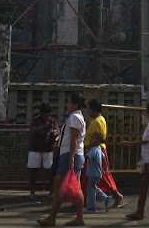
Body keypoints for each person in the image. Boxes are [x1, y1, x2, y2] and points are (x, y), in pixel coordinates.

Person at [37, 92, 87, 227]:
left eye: (69, 102)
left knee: (58, 186)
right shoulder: (75, 117)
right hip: (72, 155)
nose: (67, 105)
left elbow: (74, 139)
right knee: (75, 187)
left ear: (75, 104)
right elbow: (70, 138)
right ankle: (78, 217)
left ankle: (52, 217)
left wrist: (70, 157)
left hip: (70, 155)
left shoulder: (75, 117)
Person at [81, 99, 125, 208]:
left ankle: (116, 195)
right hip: (95, 150)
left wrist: (88, 150)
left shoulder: (97, 121)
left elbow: (96, 139)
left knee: (102, 176)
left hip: (95, 151)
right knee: (90, 176)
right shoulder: (98, 119)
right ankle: (86, 200)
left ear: (94, 110)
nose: (88, 112)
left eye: (89, 109)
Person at [28, 103, 60, 199]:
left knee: (50, 171)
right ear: (41, 113)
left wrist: (54, 137)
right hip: (35, 148)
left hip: (48, 149)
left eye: (48, 114)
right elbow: (32, 130)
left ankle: (52, 192)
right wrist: (44, 127)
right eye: (45, 114)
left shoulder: (53, 121)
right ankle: (32, 192)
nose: (47, 116)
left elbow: (57, 133)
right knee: (33, 171)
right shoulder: (35, 120)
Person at [83, 132, 111, 213]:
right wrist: (105, 168)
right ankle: (105, 197)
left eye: (92, 138)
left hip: (92, 173)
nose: (90, 140)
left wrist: (83, 154)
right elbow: (104, 158)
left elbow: (87, 156)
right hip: (97, 173)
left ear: (97, 140)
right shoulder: (99, 149)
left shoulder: (94, 150)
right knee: (93, 188)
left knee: (91, 190)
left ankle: (92, 207)